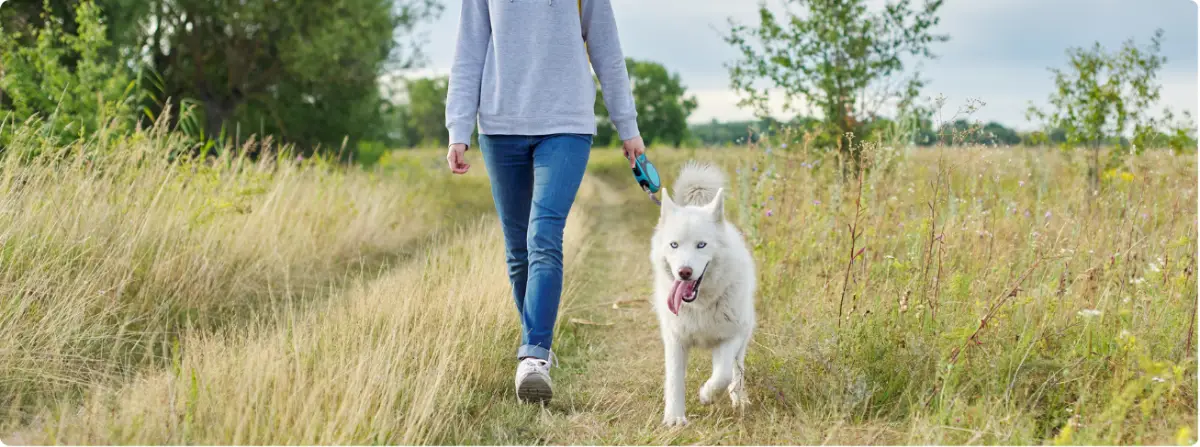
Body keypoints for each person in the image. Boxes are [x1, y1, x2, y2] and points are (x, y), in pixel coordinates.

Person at [444, 0, 645, 403]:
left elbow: (607, 49)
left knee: (544, 235)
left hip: (566, 123)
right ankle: (536, 348)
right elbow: (469, 50)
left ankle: (533, 356)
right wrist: (458, 128)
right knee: (518, 250)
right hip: (501, 126)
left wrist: (628, 126)